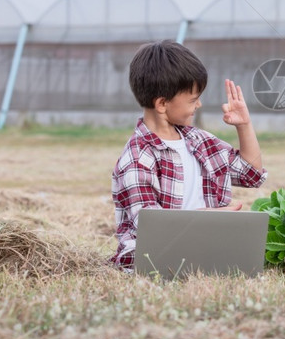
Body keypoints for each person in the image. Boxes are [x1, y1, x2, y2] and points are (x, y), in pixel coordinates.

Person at [110, 40, 267, 270]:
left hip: (204, 247)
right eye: (193, 100)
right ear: (162, 104)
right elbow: (152, 231)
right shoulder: (137, 158)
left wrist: (244, 125)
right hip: (155, 257)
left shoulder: (199, 141)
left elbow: (251, 174)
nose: (199, 104)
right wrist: (208, 218)